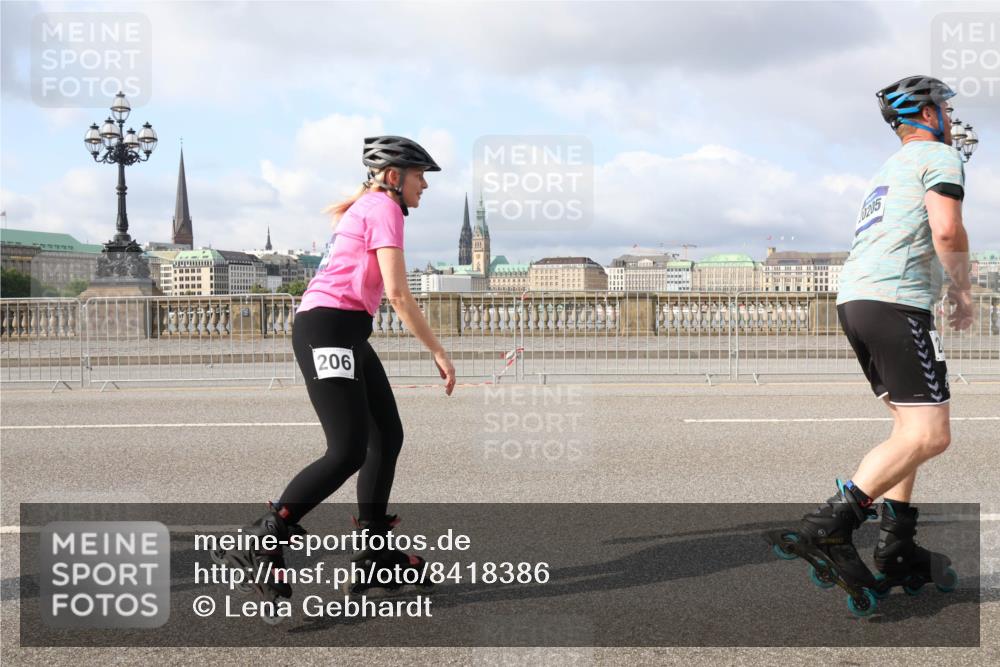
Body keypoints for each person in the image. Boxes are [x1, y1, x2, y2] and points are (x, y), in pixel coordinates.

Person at [222, 135, 456, 618]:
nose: (425, 186)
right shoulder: (383, 208)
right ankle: (264, 541)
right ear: (394, 176)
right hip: (328, 328)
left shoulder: (370, 206)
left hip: (345, 331)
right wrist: (438, 350)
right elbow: (397, 293)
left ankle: (374, 556)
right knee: (347, 448)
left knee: (386, 436)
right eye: (420, 176)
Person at [773, 75, 972, 614]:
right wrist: (963, 292)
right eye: (945, 110)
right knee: (932, 435)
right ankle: (830, 526)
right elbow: (947, 231)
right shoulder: (939, 156)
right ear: (928, 116)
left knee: (908, 429)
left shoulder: (886, 171)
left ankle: (897, 542)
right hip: (897, 303)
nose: (950, 119)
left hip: (857, 301)